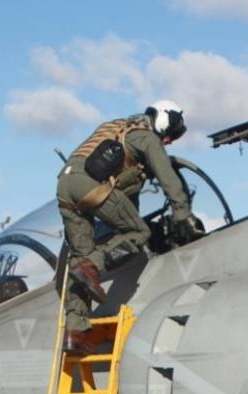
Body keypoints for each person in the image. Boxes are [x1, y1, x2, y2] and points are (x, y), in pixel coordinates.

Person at [55, 100, 203, 355]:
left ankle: (76, 332)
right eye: (170, 134)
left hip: (65, 185)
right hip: (88, 186)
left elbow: (125, 200)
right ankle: (92, 265)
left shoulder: (115, 128)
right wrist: (182, 214)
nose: (168, 141)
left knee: (81, 256)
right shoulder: (146, 137)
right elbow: (167, 176)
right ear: (163, 120)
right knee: (139, 232)